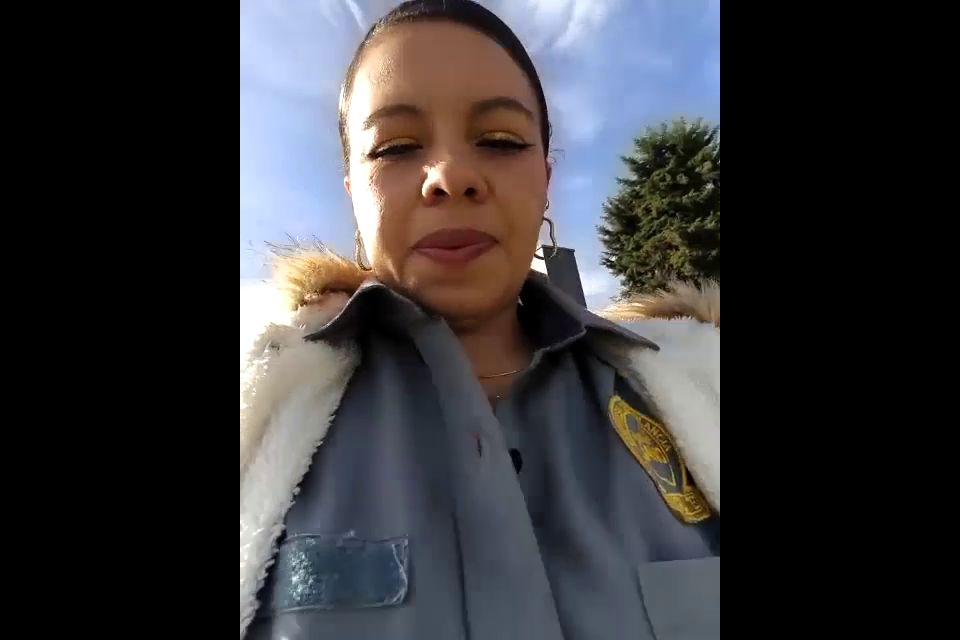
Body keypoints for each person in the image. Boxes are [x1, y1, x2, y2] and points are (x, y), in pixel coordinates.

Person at [239, 1, 720, 638]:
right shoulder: (259, 404)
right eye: (396, 147)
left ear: (545, 179)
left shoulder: (700, 386)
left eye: (499, 141)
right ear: (353, 192)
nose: (451, 176)